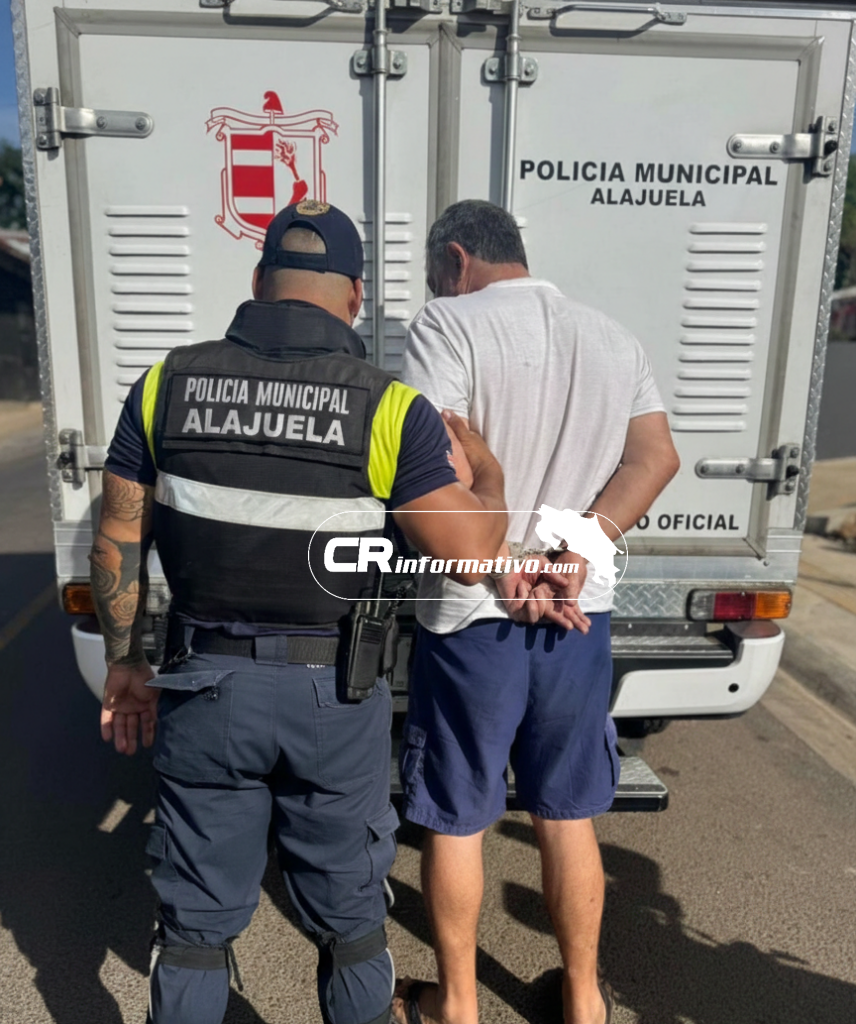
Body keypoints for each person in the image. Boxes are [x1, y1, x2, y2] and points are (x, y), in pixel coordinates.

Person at [89, 200, 507, 1024]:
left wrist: (125, 663)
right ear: (355, 296)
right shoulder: (388, 408)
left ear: (259, 281)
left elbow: (118, 537)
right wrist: (486, 469)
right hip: (334, 701)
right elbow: (472, 552)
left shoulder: (165, 385)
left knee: (194, 931)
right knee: (352, 929)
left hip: (202, 686)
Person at [394, 199, 681, 1024]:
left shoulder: (446, 326)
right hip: (575, 617)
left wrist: (505, 564)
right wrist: (577, 550)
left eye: (433, 272)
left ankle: (456, 1005)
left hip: (474, 613)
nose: (433, 287)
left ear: (456, 259)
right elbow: (655, 457)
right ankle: (585, 1002)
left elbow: (434, 460)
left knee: (458, 816)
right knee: (568, 812)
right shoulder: (612, 337)